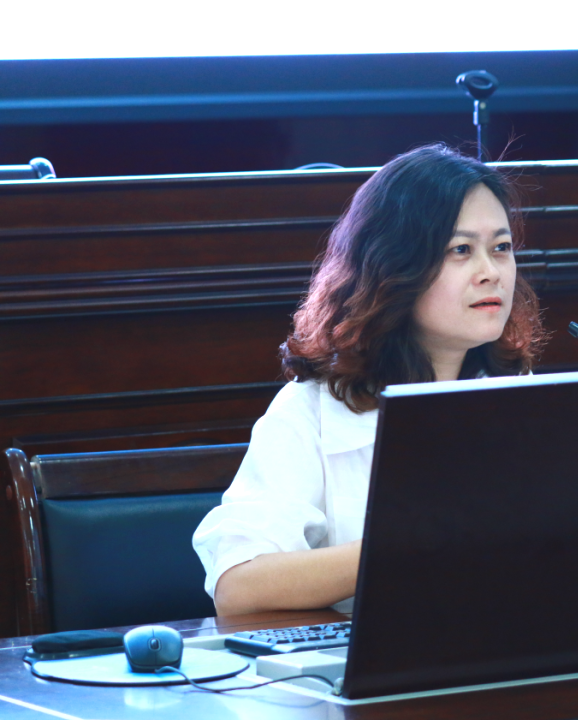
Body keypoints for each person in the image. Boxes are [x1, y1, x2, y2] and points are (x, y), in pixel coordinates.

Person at [193, 144, 546, 615]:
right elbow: (238, 587)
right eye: (460, 250)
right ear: (393, 267)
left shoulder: (522, 394)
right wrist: (411, 541)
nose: (491, 273)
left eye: (500, 248)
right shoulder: (310, 411)